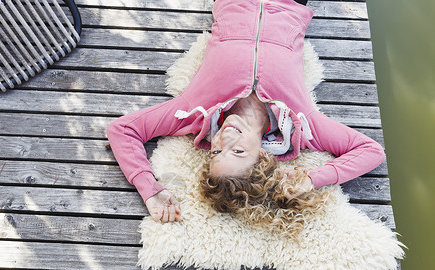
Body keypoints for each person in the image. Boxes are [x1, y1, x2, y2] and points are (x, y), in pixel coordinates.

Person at [106, 0, 385, 226]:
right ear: (264, 155)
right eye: (238, 153)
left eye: (216, 153)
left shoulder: (191, 111)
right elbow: (371, 151)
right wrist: (312, 178)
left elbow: (122, 130)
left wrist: (150, 189)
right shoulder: (302, 122)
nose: (224, 142)